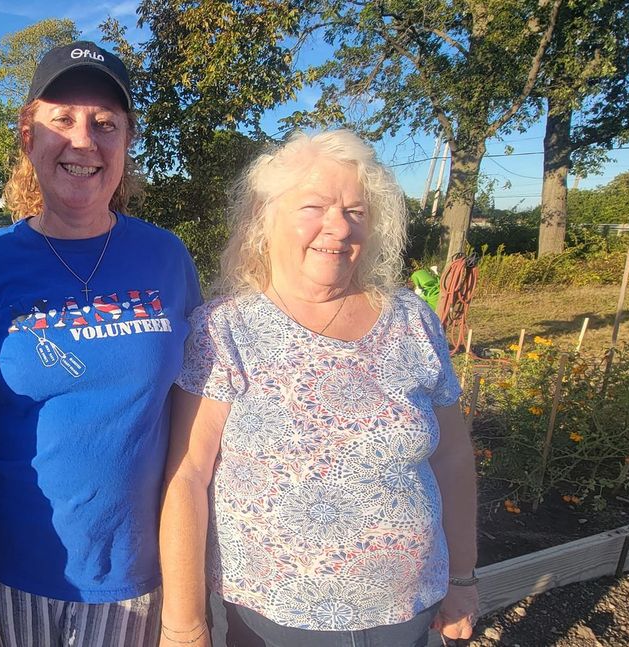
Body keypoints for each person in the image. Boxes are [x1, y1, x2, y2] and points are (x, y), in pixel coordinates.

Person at [160, 130, 478, 647]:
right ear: (266, 219)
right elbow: (188, 477)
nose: (338, 226)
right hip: (275, 619)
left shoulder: (412, 320)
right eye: (315, 205)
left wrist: (463, 579)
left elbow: (454, 458)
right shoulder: (225, 330)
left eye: (356, 211)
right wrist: (183, 622)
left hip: (410, 607)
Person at [0, 41, 203, 647]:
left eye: (105, 124)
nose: (83, 140)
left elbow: (198, 406)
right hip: (15, 557)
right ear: (29, 137)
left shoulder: (166, 258)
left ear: (126, 144)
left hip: (138, 564)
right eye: (61, 119)